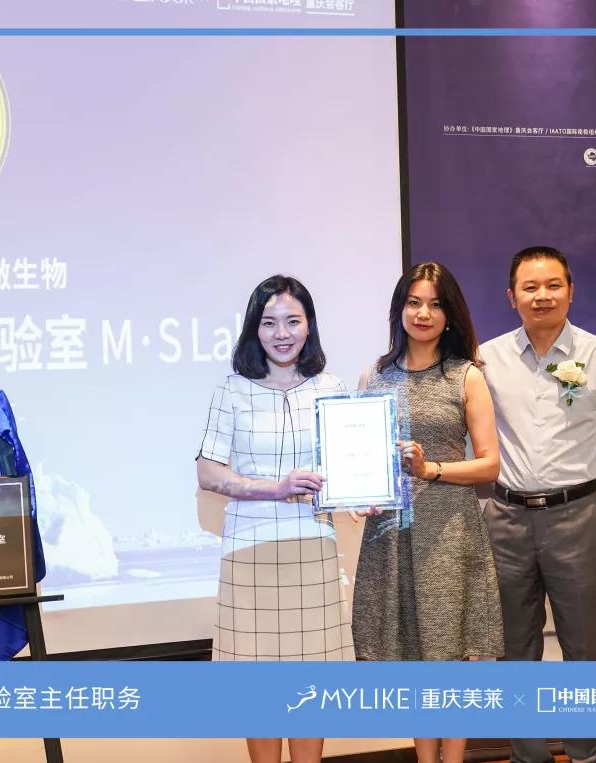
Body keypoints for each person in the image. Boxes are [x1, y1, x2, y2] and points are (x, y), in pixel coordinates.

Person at [479, 246, 596, 763]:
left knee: (585, 648)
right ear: (511, 296)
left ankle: (586, 754)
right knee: (513, 649)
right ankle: (529, 755)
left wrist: (582, 494)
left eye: (553, 285)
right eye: (530, 287)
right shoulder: (487, 358)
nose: (541, 296)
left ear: (570, 291)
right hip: (505, 519)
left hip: (577, 517)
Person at [351, 262, 503, 763]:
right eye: (414, 302)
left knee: (451, 652)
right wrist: (359, 493)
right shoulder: (375, 375)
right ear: (399, 308)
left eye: (436, 304)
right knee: (410, 654)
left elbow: (490, 464)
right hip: (391, 531)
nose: (423, 313)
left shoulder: (466, 375)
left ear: (450, 314)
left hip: (449, 530)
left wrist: (430, 468)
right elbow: (360, 455)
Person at [196, 275, 352, 763]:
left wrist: (363, 493)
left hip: (313, 550)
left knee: (310, 687)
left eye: (292, 321)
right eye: (269, 323)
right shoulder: (232, 390)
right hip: (250, 552)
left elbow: (347, 466)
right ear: (253, 328)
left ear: (309, 325)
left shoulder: (331, 388)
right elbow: (208, 472)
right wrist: (276, 488)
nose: (281, 333)